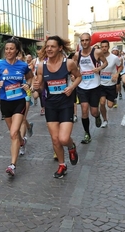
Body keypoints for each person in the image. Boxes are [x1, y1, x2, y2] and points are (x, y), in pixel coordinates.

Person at [33, 36, 81, 178]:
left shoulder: (69, 63)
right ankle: (62, 165)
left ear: (60, 48)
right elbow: (40, 87)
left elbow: (79, 77)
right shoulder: (42, 66)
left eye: (52, 46)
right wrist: (36, 87)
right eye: (47, 46)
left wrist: (71, 87)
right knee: (55, 139)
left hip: (66, 104)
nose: (49, 49)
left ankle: (71, 147)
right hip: (51, 105)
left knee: (64, 139)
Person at [0, 37, 34, 176]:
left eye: (11, 49)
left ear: (17, 51)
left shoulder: (23, 65)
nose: (8, 51)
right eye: (6, 49)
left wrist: (29, 86)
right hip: (5, 103)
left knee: (13, 133)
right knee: (15, 134)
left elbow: (31, 78)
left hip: (19, 101)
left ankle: (12, 165)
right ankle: (22, 141)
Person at [72, 33, 108, 144]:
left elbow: (105, 62)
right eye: (82, 40)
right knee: (84, 110)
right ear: (80, 41)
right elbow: (73, 68)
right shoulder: (77, 55)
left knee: (93, 112)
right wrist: (73, 76)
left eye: (87, 40)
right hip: (82, 86)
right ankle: (87, 133)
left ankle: (97, 116)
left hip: (95, 86)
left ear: (90, 41)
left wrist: (100, 68)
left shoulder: (97, 52)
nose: (84, 42)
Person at [99, 40, 122, 128]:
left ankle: (113, 100)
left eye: (105, 46)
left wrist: (117, 73)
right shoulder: (98, 57)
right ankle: (105, 120)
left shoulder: (114, 58)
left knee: (110, 105)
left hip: (111, 84)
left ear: (108, 47)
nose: (104, 48)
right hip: (101, 84)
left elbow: (120, 66)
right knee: (102, 103)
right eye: (102, 46)